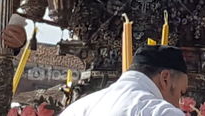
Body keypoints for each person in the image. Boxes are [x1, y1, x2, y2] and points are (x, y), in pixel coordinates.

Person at [60, 45, 188, 115]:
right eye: (180, 93)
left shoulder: (75, 109)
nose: (179, 104)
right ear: (165, 78)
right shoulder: (160, 112)